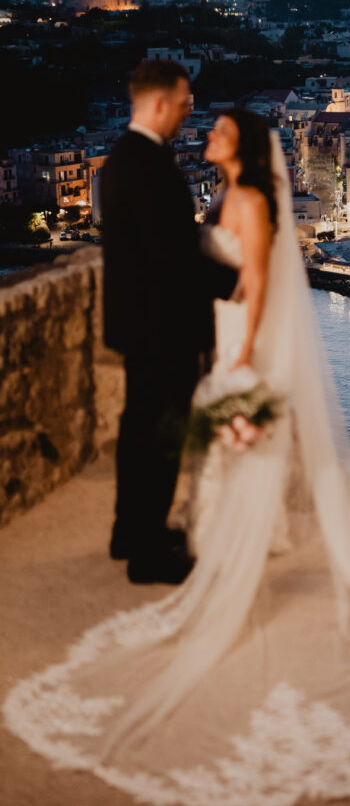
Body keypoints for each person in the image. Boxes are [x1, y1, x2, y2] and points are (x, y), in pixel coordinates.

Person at [3, 113, 350, 805]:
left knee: (229, 449)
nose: (204, 137)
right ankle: (231, 562)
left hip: (238, 339)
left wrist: (238, 355)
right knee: (221, 455)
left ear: (237, 147)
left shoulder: (248, 202)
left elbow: (257, 283)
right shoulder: (227, 196)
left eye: (216, 133)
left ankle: (232, 581)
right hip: (221, 333)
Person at [100, 60, 238, 584]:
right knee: (159, 437)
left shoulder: (126, 159)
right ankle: (149, 554)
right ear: (158, 103)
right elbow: (171, 255)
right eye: (183, 103)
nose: (188, 112)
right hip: (164, 325)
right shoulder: (147, 165)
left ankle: (128, 531)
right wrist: (238, 287)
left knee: (138, 430)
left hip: (139, 320)